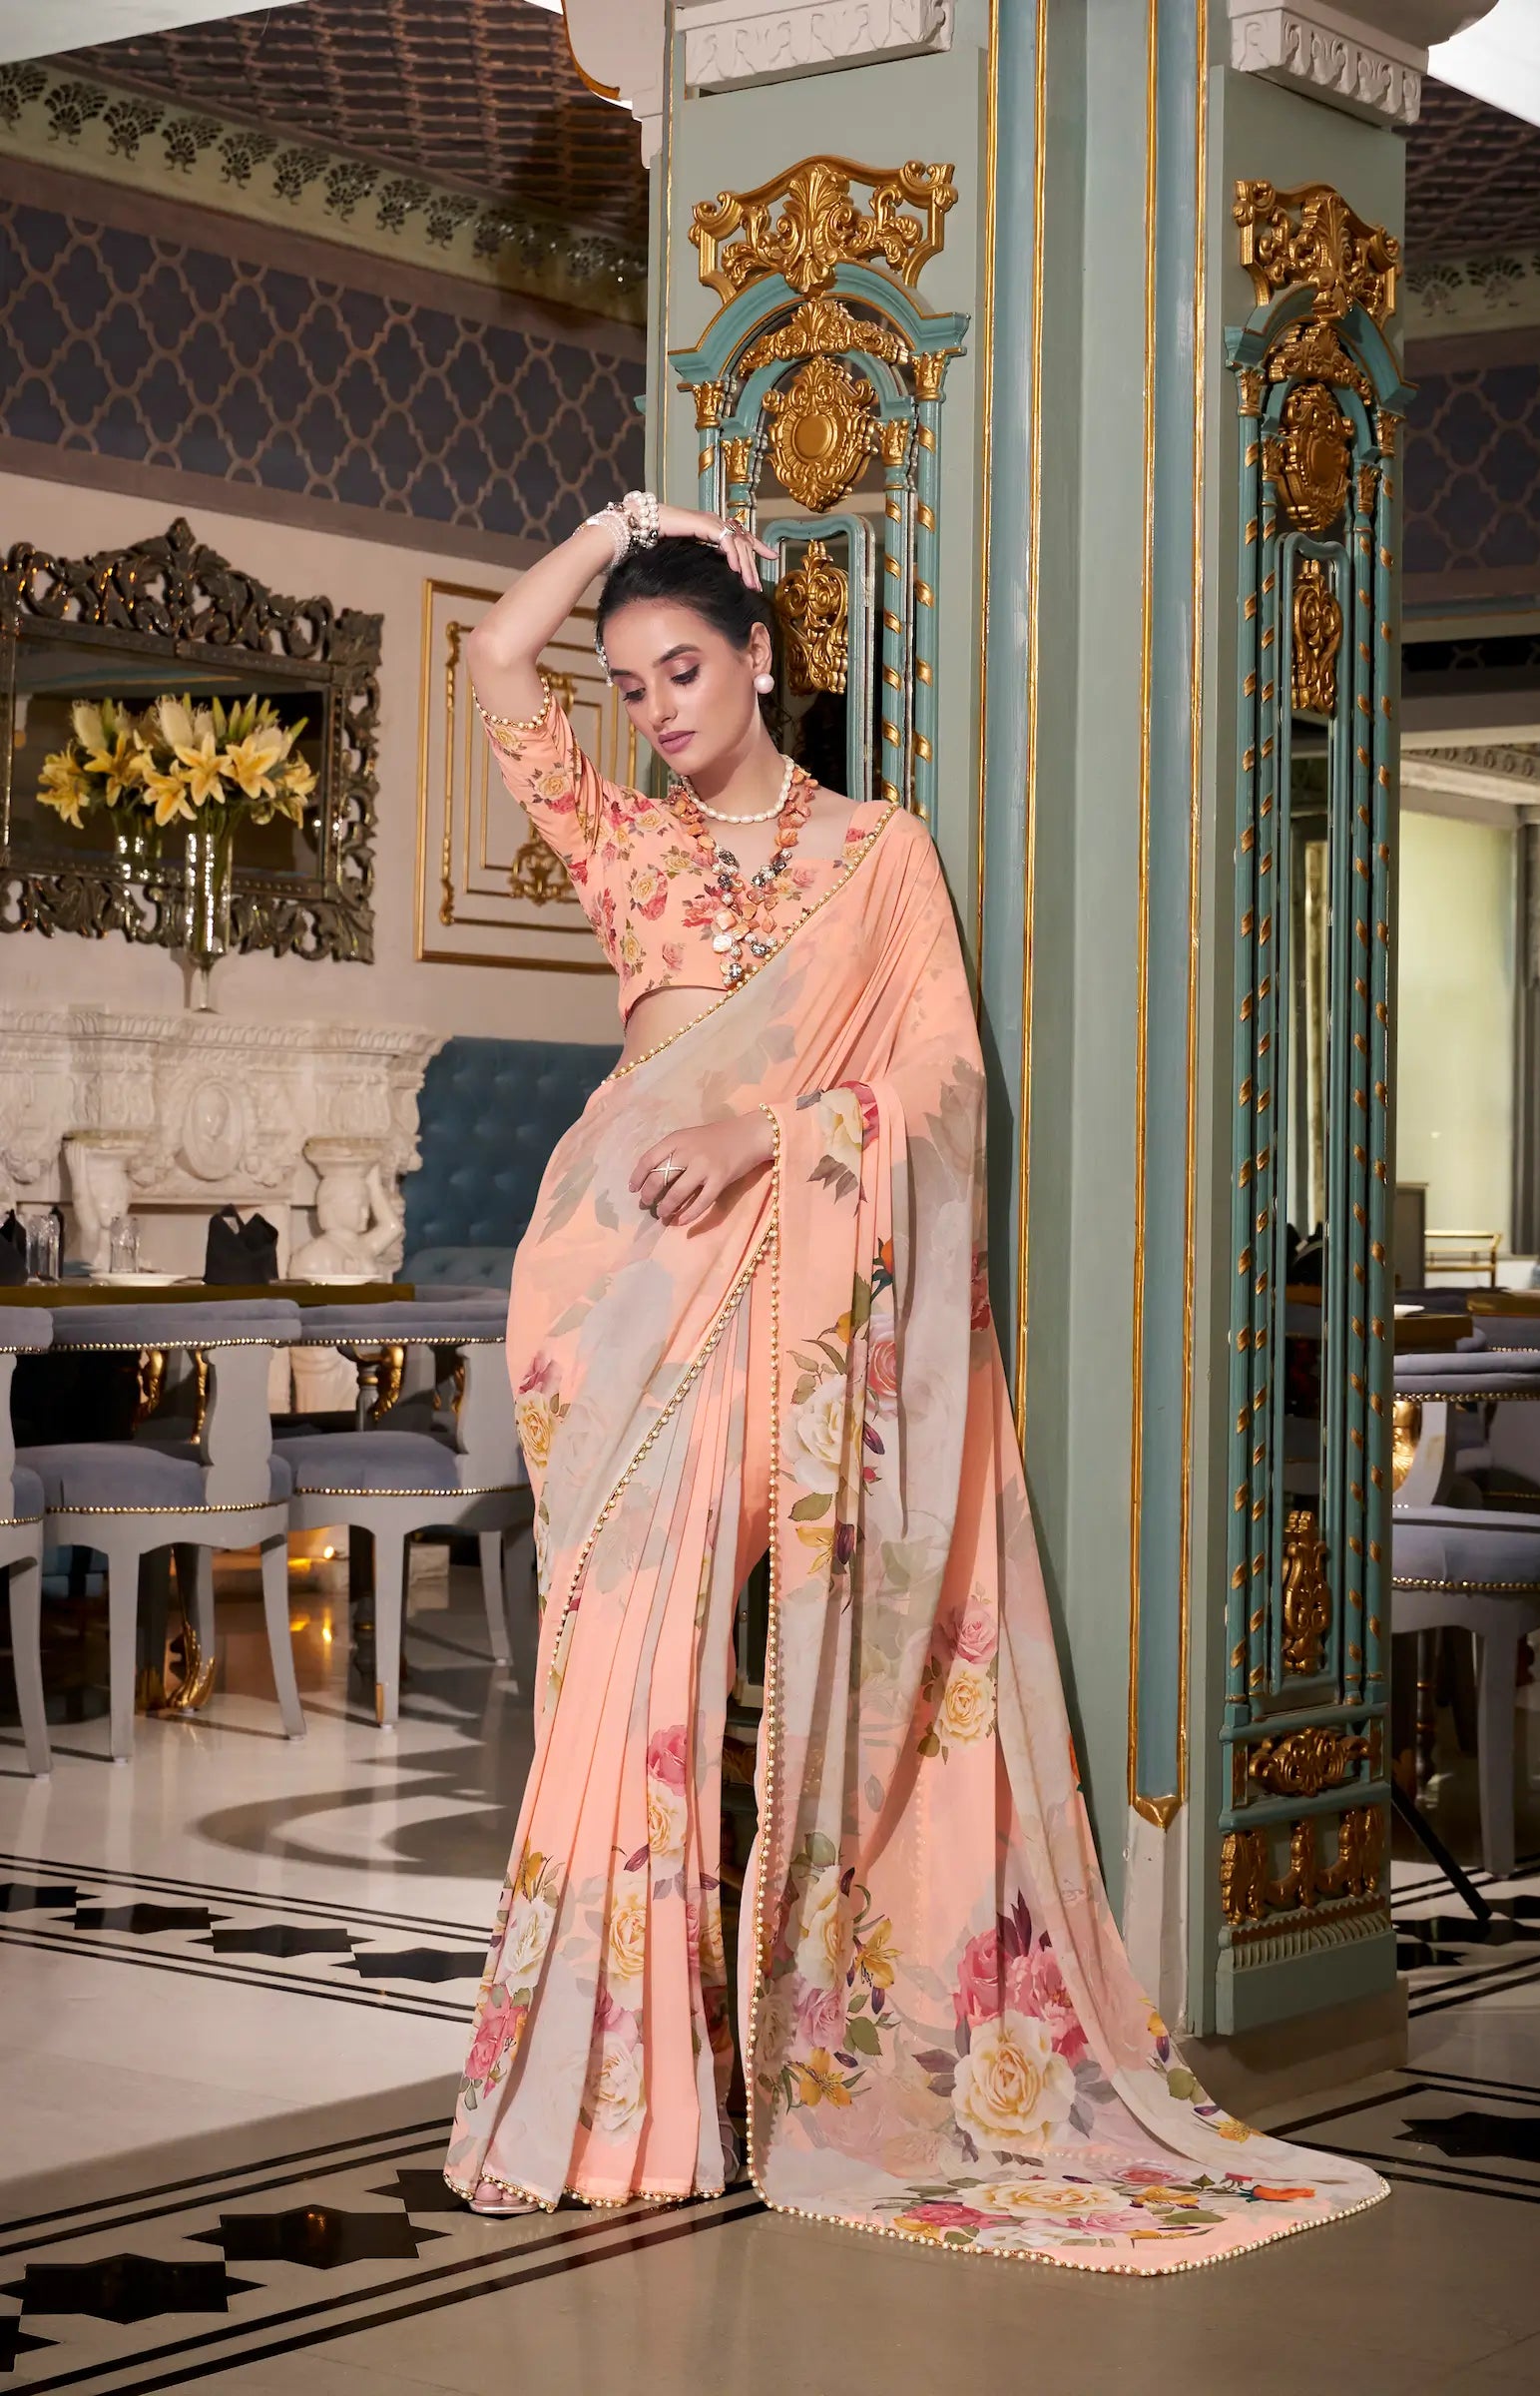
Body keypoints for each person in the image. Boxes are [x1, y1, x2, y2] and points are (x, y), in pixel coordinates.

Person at [446, 491, 1385, 2270]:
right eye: (631, 686)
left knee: (775, 1675)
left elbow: (944, 1088)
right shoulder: (621, 841)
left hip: (793, 1276)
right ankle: (614, 2104)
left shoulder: (874, 857)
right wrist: (616, 524)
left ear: (760, 661)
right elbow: (497, 658)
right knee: (617, 1679)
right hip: (623, 1292)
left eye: (682, 671)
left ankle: (772, 2068)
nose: (656, 712)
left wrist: (770, 1132)